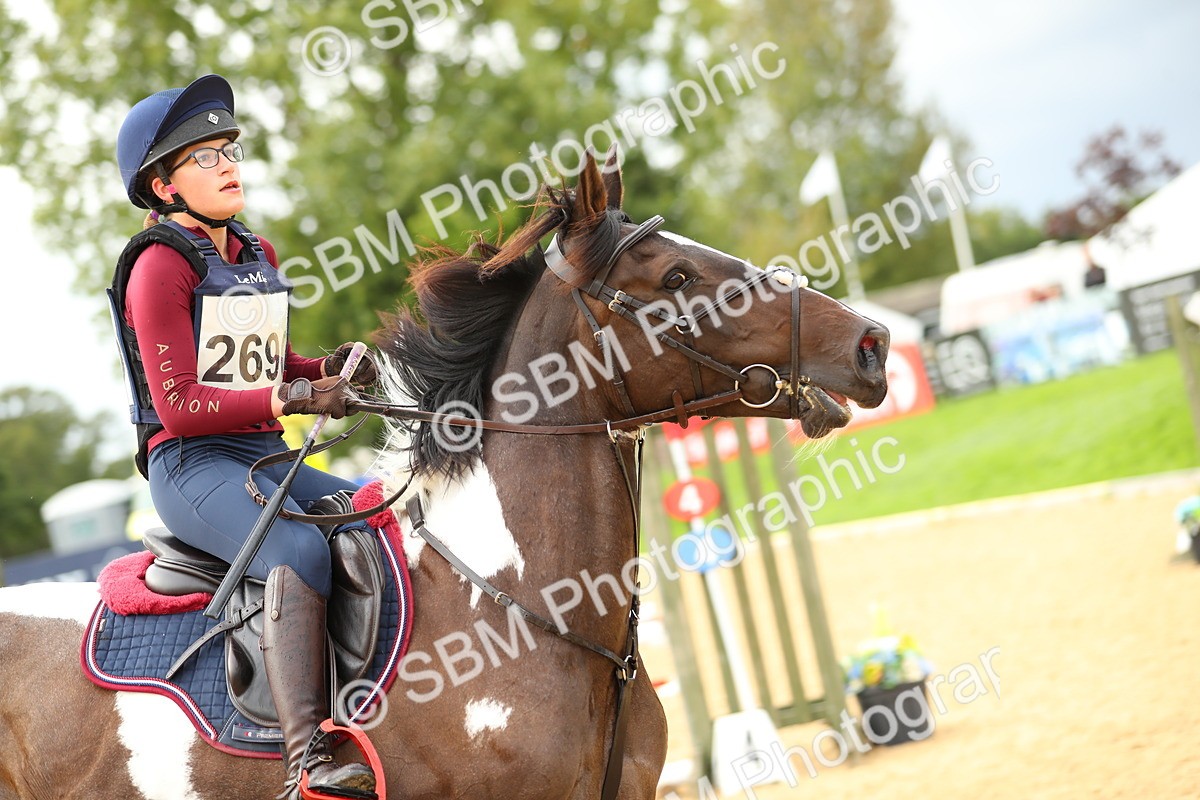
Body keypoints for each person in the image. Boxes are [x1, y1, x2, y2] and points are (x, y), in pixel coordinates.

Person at [114, 74, 379, 799]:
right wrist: (296, 395)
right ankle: (309, 759)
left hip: (263, 454)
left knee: (377, 517)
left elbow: (276, 362)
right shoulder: (158, 266)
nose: (229, 163)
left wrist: (335, 369)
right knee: (294, 546)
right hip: (191, 465)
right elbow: (181, 406)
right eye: (204, 157)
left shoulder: (253, 250)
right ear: (163, 187)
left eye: (229, 147)